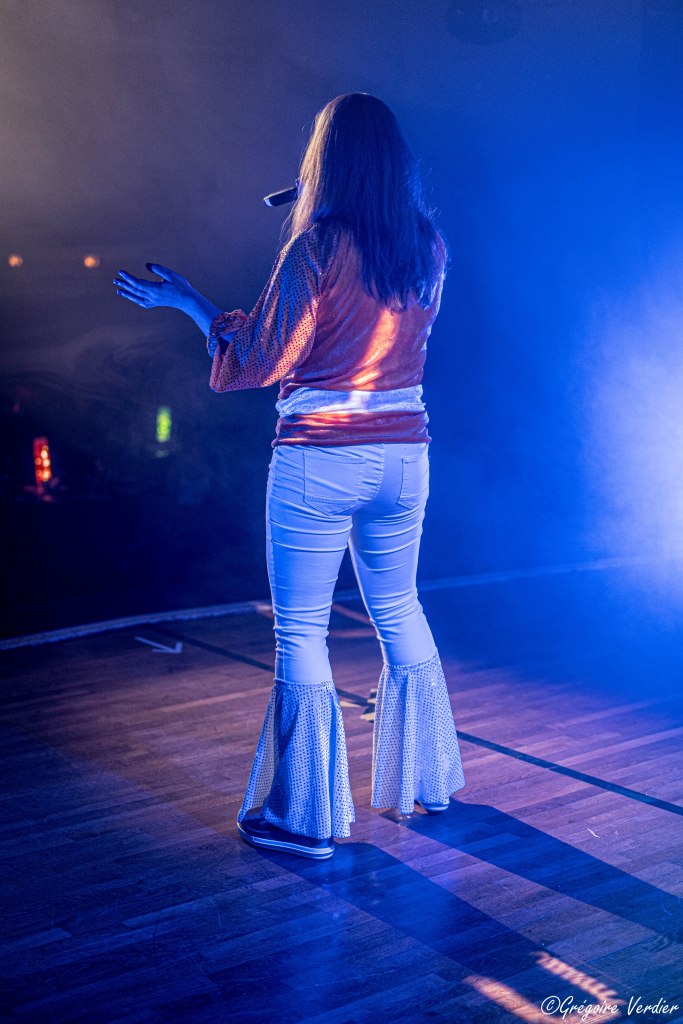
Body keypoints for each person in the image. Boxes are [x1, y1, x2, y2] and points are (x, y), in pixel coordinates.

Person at [113, 92, 466, 861]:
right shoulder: (427, 246)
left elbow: (259, 360)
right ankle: (429, 782)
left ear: (324, 161)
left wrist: (190, 302)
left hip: (320, 460)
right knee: (399, 607)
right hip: (405, 458)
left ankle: (300, 821)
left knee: (301, 630)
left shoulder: (316, 246)